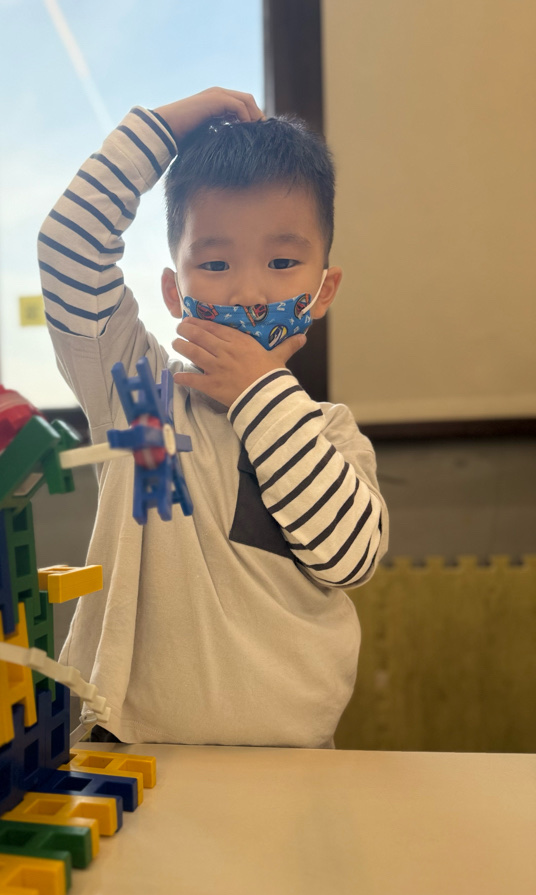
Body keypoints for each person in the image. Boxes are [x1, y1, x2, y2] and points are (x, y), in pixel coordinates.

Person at [38, 87, 388, 748]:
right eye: (216, 263)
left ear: (322, 291)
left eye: (283, 262)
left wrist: (259, 392)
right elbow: (68, 249)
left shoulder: (332, 433)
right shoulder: (137, 393)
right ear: (175, 291)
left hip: (291, 768)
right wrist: (168, 127)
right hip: (129, 752)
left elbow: (349, 558)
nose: (250, 291)